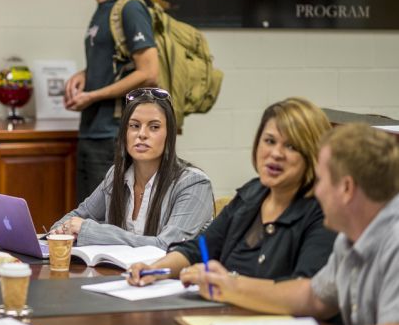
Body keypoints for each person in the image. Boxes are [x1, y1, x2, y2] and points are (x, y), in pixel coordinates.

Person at [180, 124, 399, 325]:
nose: (316, 190)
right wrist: (229, 287)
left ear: (346, 189)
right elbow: (313, 297)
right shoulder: (349, 239)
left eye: (321, 180)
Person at [129, 97, 337, 284]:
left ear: (312, 153)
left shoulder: (323, 211)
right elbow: (199, 249)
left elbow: (306, 289)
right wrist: (155, 270)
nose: (275, 154)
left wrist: (231, 285)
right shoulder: (253, 193)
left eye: (291, 146)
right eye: (269, 141)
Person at [62, 0, 159, 204]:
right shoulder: (101, 11)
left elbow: (149, 72)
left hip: (112, 134)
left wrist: (93, 95)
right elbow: (114, 62)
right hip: (91, 132)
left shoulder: (130, 8)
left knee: (106, 221)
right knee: (84, 216)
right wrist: (85, 74)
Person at [50, 88, 213, 248]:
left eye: (154, 127)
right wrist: (60, 232)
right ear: (124, 133)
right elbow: (77, 216)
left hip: (169, 275)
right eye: (134, 126)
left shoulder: (193, 183)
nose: (142, 134)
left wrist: (92, 231)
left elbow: (166, 246)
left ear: (169, 134)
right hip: (118, 272)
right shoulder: (117, 175)